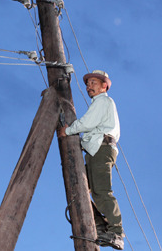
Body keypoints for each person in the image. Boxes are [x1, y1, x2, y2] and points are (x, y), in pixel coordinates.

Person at [58, 70, 124, 250]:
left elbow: (87, 123)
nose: (89, 87)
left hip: (102, 149)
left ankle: (116, 232)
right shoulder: (100, 103)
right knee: (79, 190)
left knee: (101, 192)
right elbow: (91, 128)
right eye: (88, 84)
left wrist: (68, 130)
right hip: (97, 149)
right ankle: (102, 226)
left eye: (93, 83)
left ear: (104, 86)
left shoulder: (103, 101)